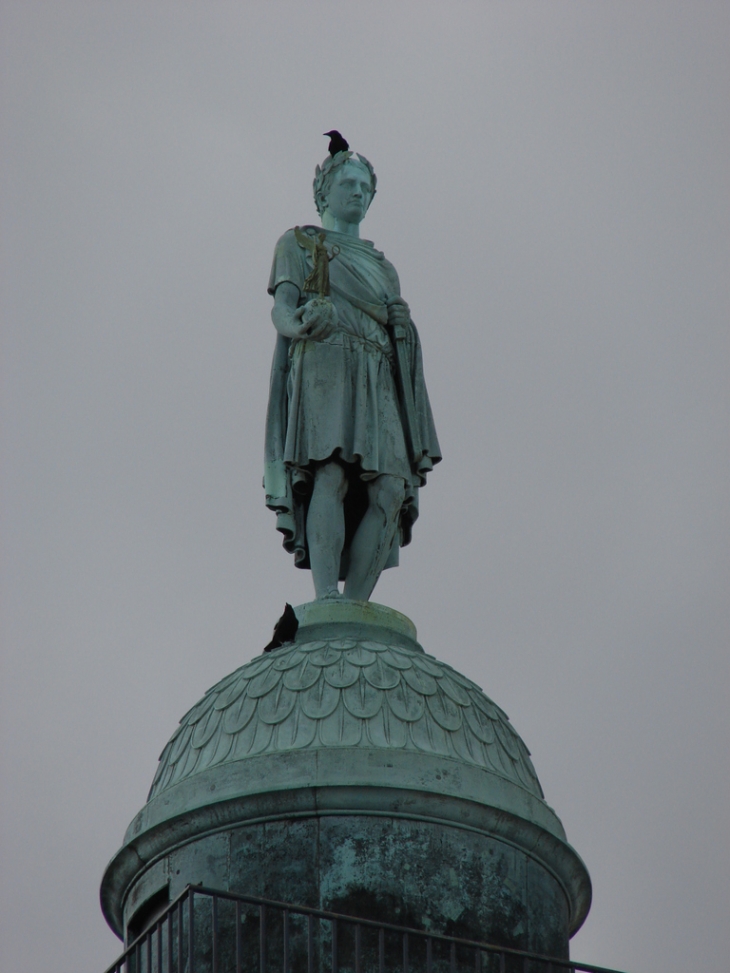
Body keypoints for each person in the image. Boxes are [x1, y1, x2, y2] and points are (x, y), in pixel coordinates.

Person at [264, 148, 440, 601]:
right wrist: (299, 323)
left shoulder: (384, 268)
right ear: (324, 191)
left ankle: (357, 607)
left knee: (391, 488)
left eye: (365, 187)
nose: (358, 193)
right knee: (331, 473)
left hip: (376, 367)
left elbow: (395, 327)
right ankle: (327, 596)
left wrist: (402, 326)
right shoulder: (299, 243)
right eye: (348, 185)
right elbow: (282, 309)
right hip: (326, 357)